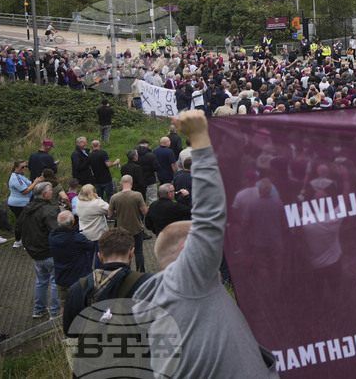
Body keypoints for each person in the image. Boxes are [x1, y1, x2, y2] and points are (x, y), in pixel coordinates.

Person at [111, 110, 281, 376]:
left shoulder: (154, 302)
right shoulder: (187, 282)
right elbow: (209, 218)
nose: (214, 247)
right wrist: (201, 138)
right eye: (200, 244)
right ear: (186, 252)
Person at [20, 182, 61, 318]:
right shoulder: (49, 210)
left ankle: (39, 309)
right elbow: (56, 231)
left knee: (40, 280)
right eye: (50, 191)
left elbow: (18, 227)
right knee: (56, 281)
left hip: (35, 252)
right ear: (45, 194)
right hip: (48, 251)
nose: (52, 193)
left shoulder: (27, 208)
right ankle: (55, 312)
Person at [49, 211, 96, 305]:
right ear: (72, 222)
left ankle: (61, 319)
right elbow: (90, 245)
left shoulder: (52, 236)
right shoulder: (77, 239)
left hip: (61, 277)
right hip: (78, 279)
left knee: (64, 305)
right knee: (84, 304)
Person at [108, 175, 148, 271]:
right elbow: (144, 211)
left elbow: (110, 215)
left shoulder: (114, 197)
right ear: (131, 182)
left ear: (121, 184)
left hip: (122, 230)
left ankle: (126, 271)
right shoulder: (137, 195)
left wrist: (119, 212)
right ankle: (140, 271)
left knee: (125, 252)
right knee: (138, 251)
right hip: (137, 228)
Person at [8, 160, 41, 248]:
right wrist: (35, 183)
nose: (25, 168)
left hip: (20, 203)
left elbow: (28, 185)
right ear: (16, 168)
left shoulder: (19, 176)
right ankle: (24, 243)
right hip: (19, 204)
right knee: (25, 223)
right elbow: (25, 191)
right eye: (22, 167)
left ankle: (18, 241)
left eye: (26, 166)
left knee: (21, 223)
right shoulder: (16, 177)